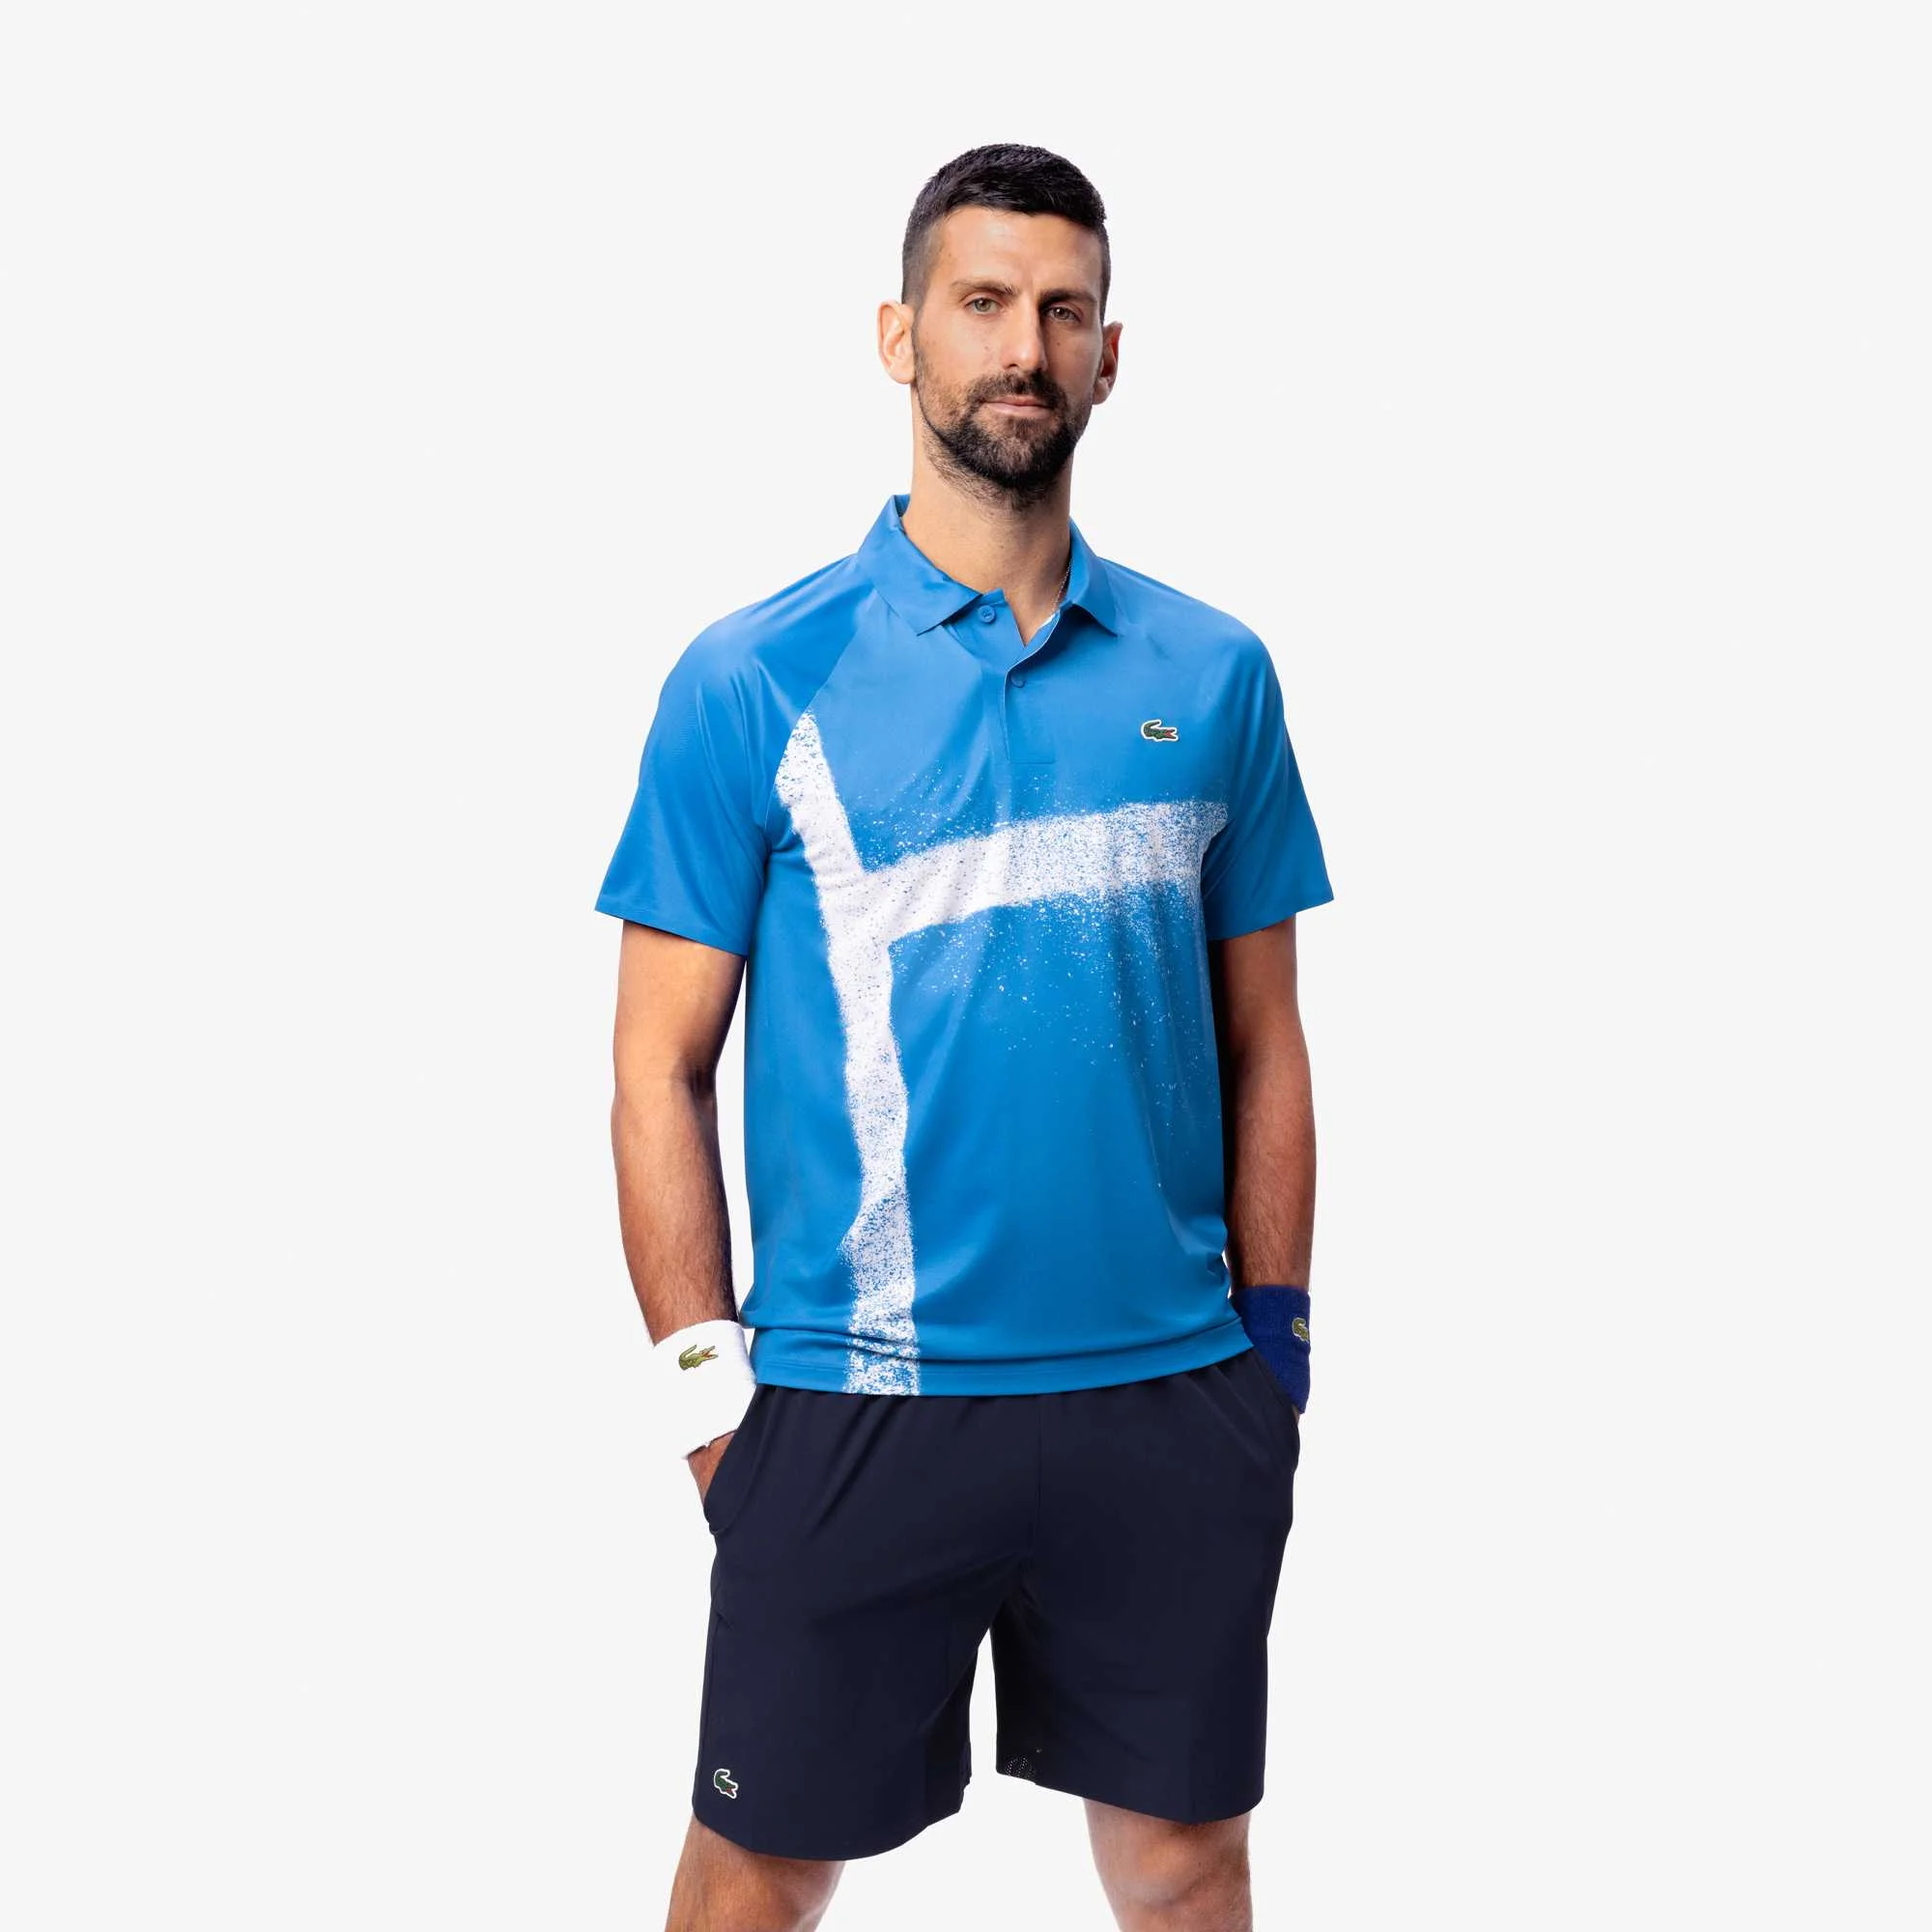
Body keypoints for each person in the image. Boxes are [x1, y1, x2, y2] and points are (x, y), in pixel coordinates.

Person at [596, 143, 1334, 1932]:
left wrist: (1274, 1361)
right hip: (855, 1404)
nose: (1025, 346)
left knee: (1186, 1872)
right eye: (984, 303)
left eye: (1064, 311)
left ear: (1109, 355)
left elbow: (1269, 1043)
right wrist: (711, 1408)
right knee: (758, 1875)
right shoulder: (752, 677)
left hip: (1169, 1402)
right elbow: (654, 1071)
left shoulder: (1214, 673)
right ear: (897, 335)